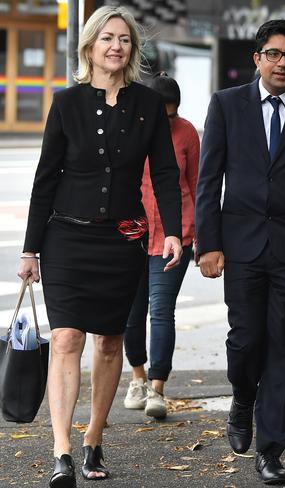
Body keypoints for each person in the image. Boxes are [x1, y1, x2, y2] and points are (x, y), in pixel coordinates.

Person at [17, 6, 182, 487]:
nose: (116, 46)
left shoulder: (149, 106)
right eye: (107, 38)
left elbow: (166, 174)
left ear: (133, 50)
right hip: (66, 237)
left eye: (125, 40)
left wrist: (171, 229)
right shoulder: (66, 103)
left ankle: (93, 439)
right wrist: (30, 250)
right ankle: (62, 450)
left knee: (111, 341)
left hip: (122, 239)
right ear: (89, 46)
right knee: (67, 338)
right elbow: (45, 178)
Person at [195, 19, 285, 485]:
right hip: (242, 248)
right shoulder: (226, 105)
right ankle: (241, 395)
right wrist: (209, 244)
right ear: (257, 58)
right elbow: (208, 179)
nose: (282, 63)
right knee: (246, 340)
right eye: (274, 54)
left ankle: (272, 447)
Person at [123, 72, 199, 420]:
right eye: (161, 113)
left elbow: (198, 184)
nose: (166, 120)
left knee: (161, 310)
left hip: (175, 233)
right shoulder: (129, 128)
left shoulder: (186, 133)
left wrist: (203, 236)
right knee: (131, 313)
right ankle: (137, 378)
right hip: (132, 234)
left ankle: (157, 389)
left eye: (171, 114)